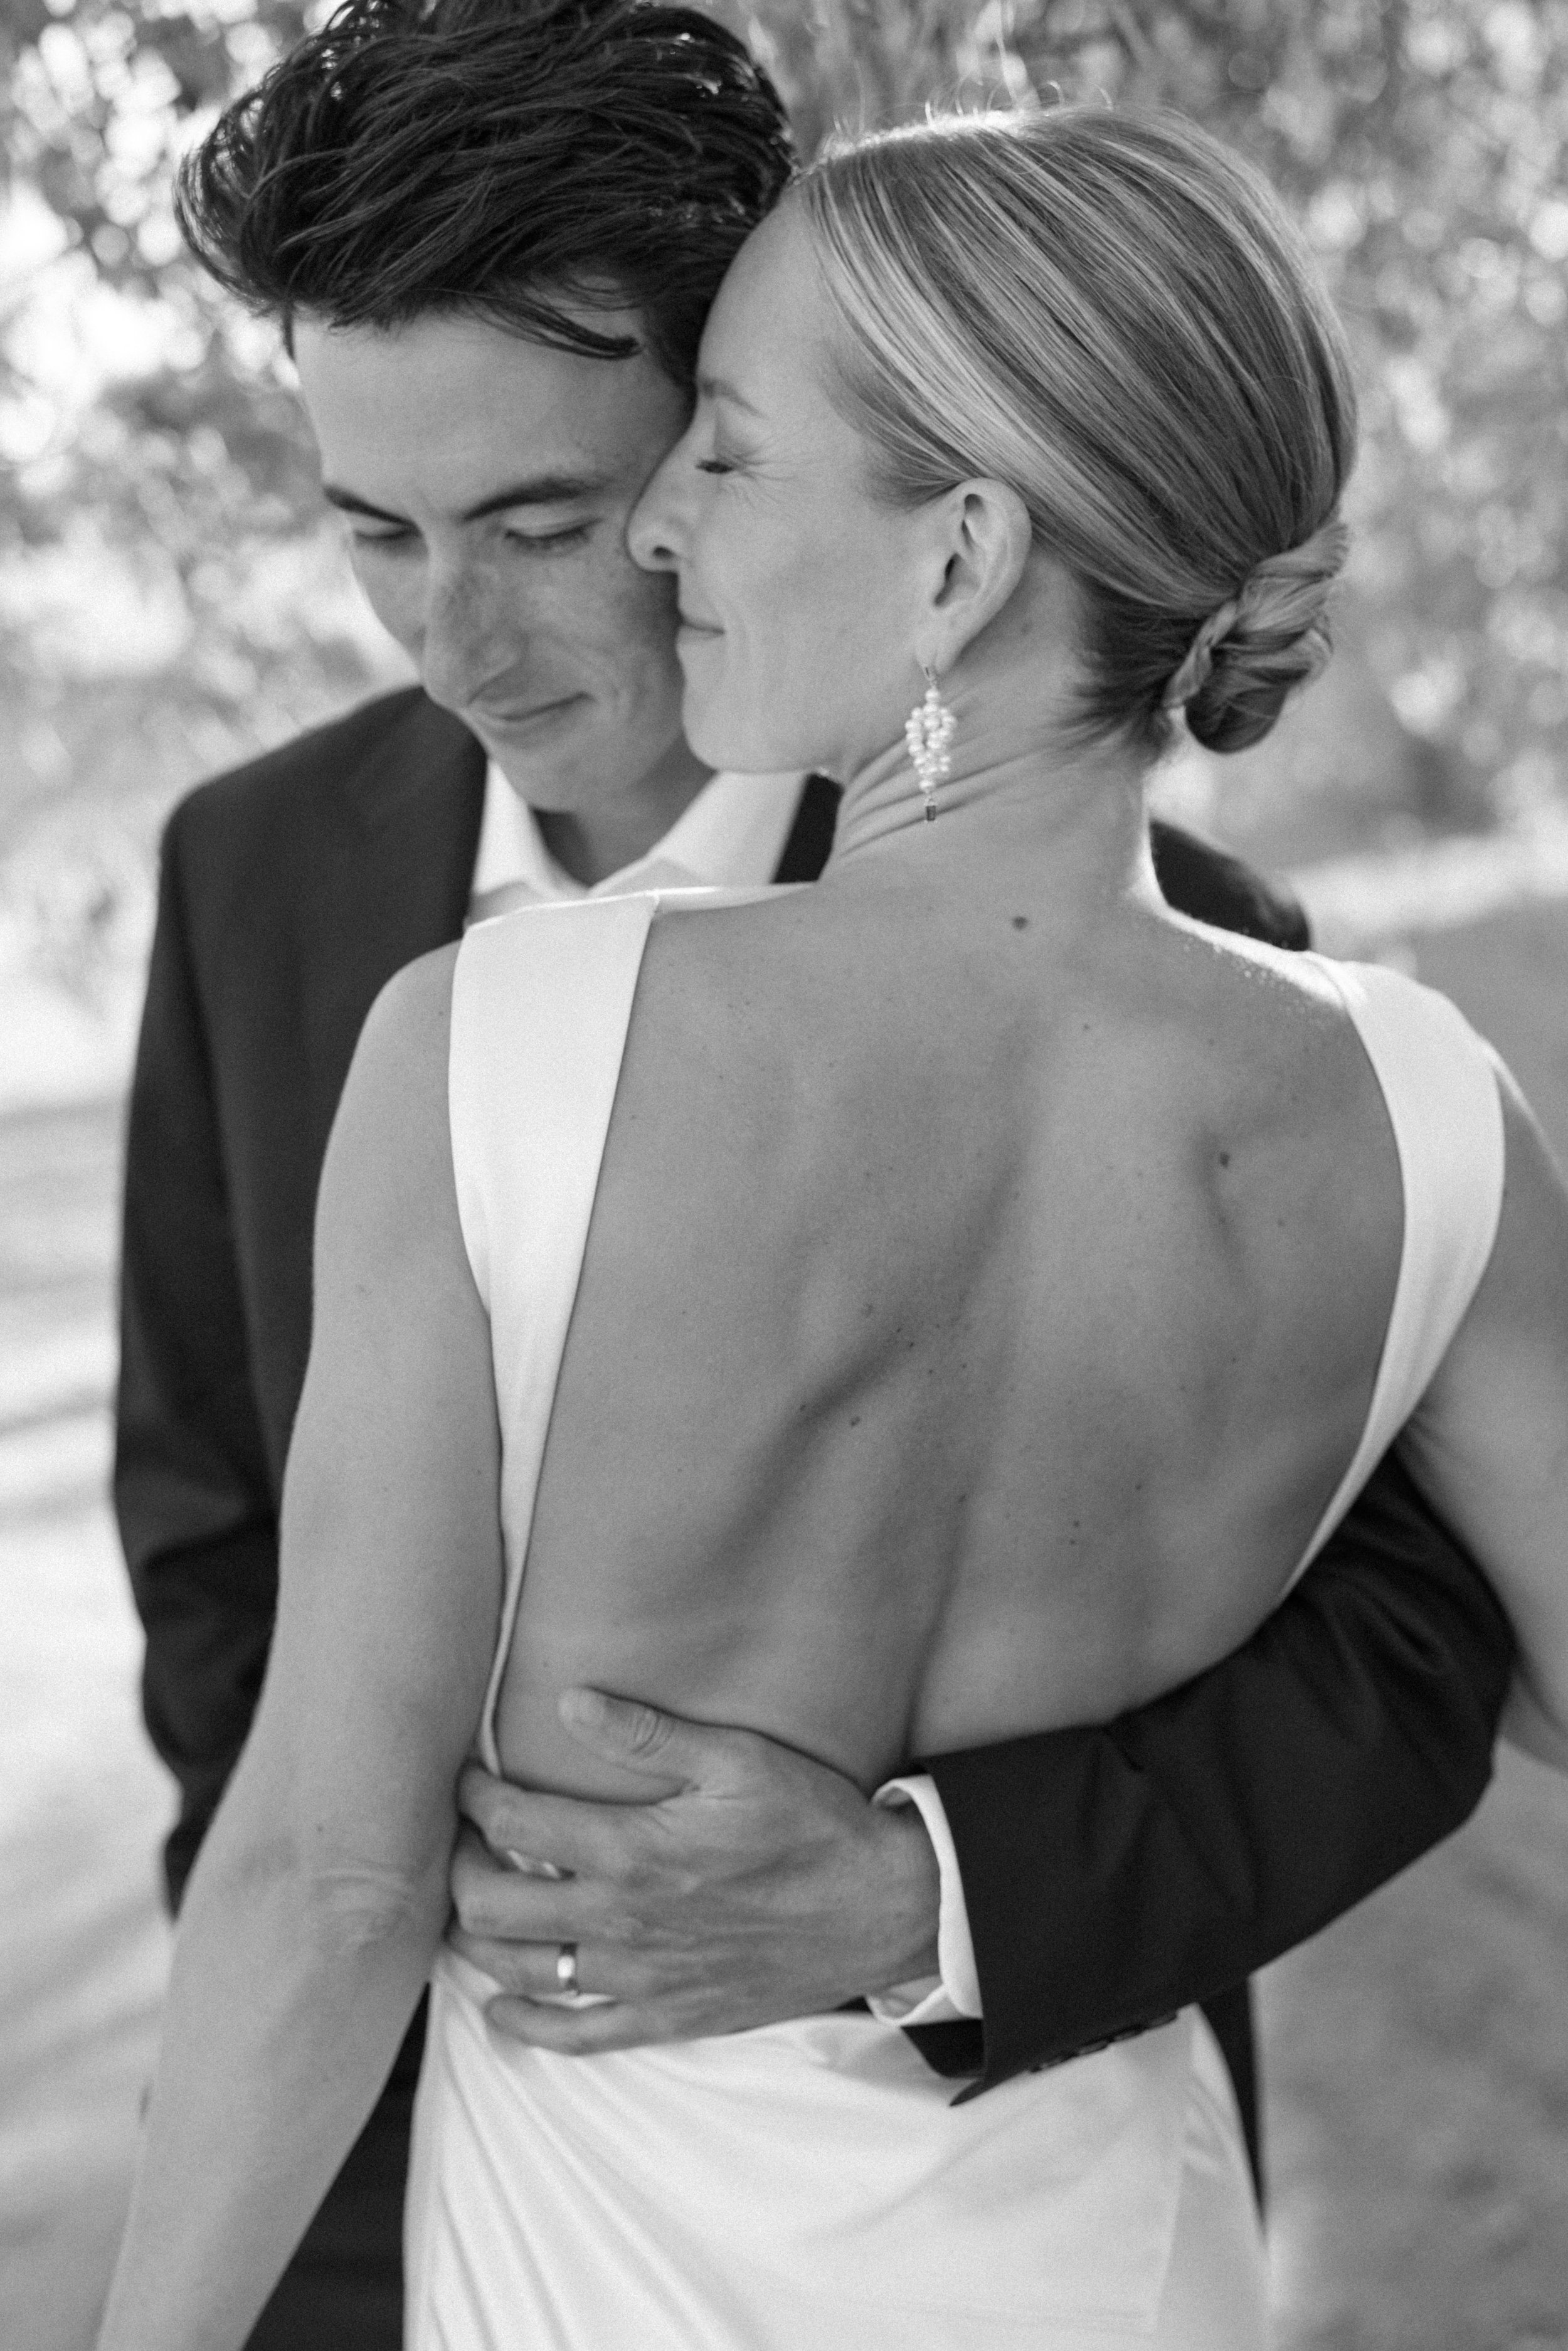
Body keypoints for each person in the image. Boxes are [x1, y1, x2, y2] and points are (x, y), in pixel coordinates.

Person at [100, 97, 1568, 2348]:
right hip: (1068, 2263)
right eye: (374, 534)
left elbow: (337, 1861)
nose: (460, 629)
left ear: (954, 552)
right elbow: (215, 1596)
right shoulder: (1413, 1098)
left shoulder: (491, 1035)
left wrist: (947, 1888)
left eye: (674, 471)